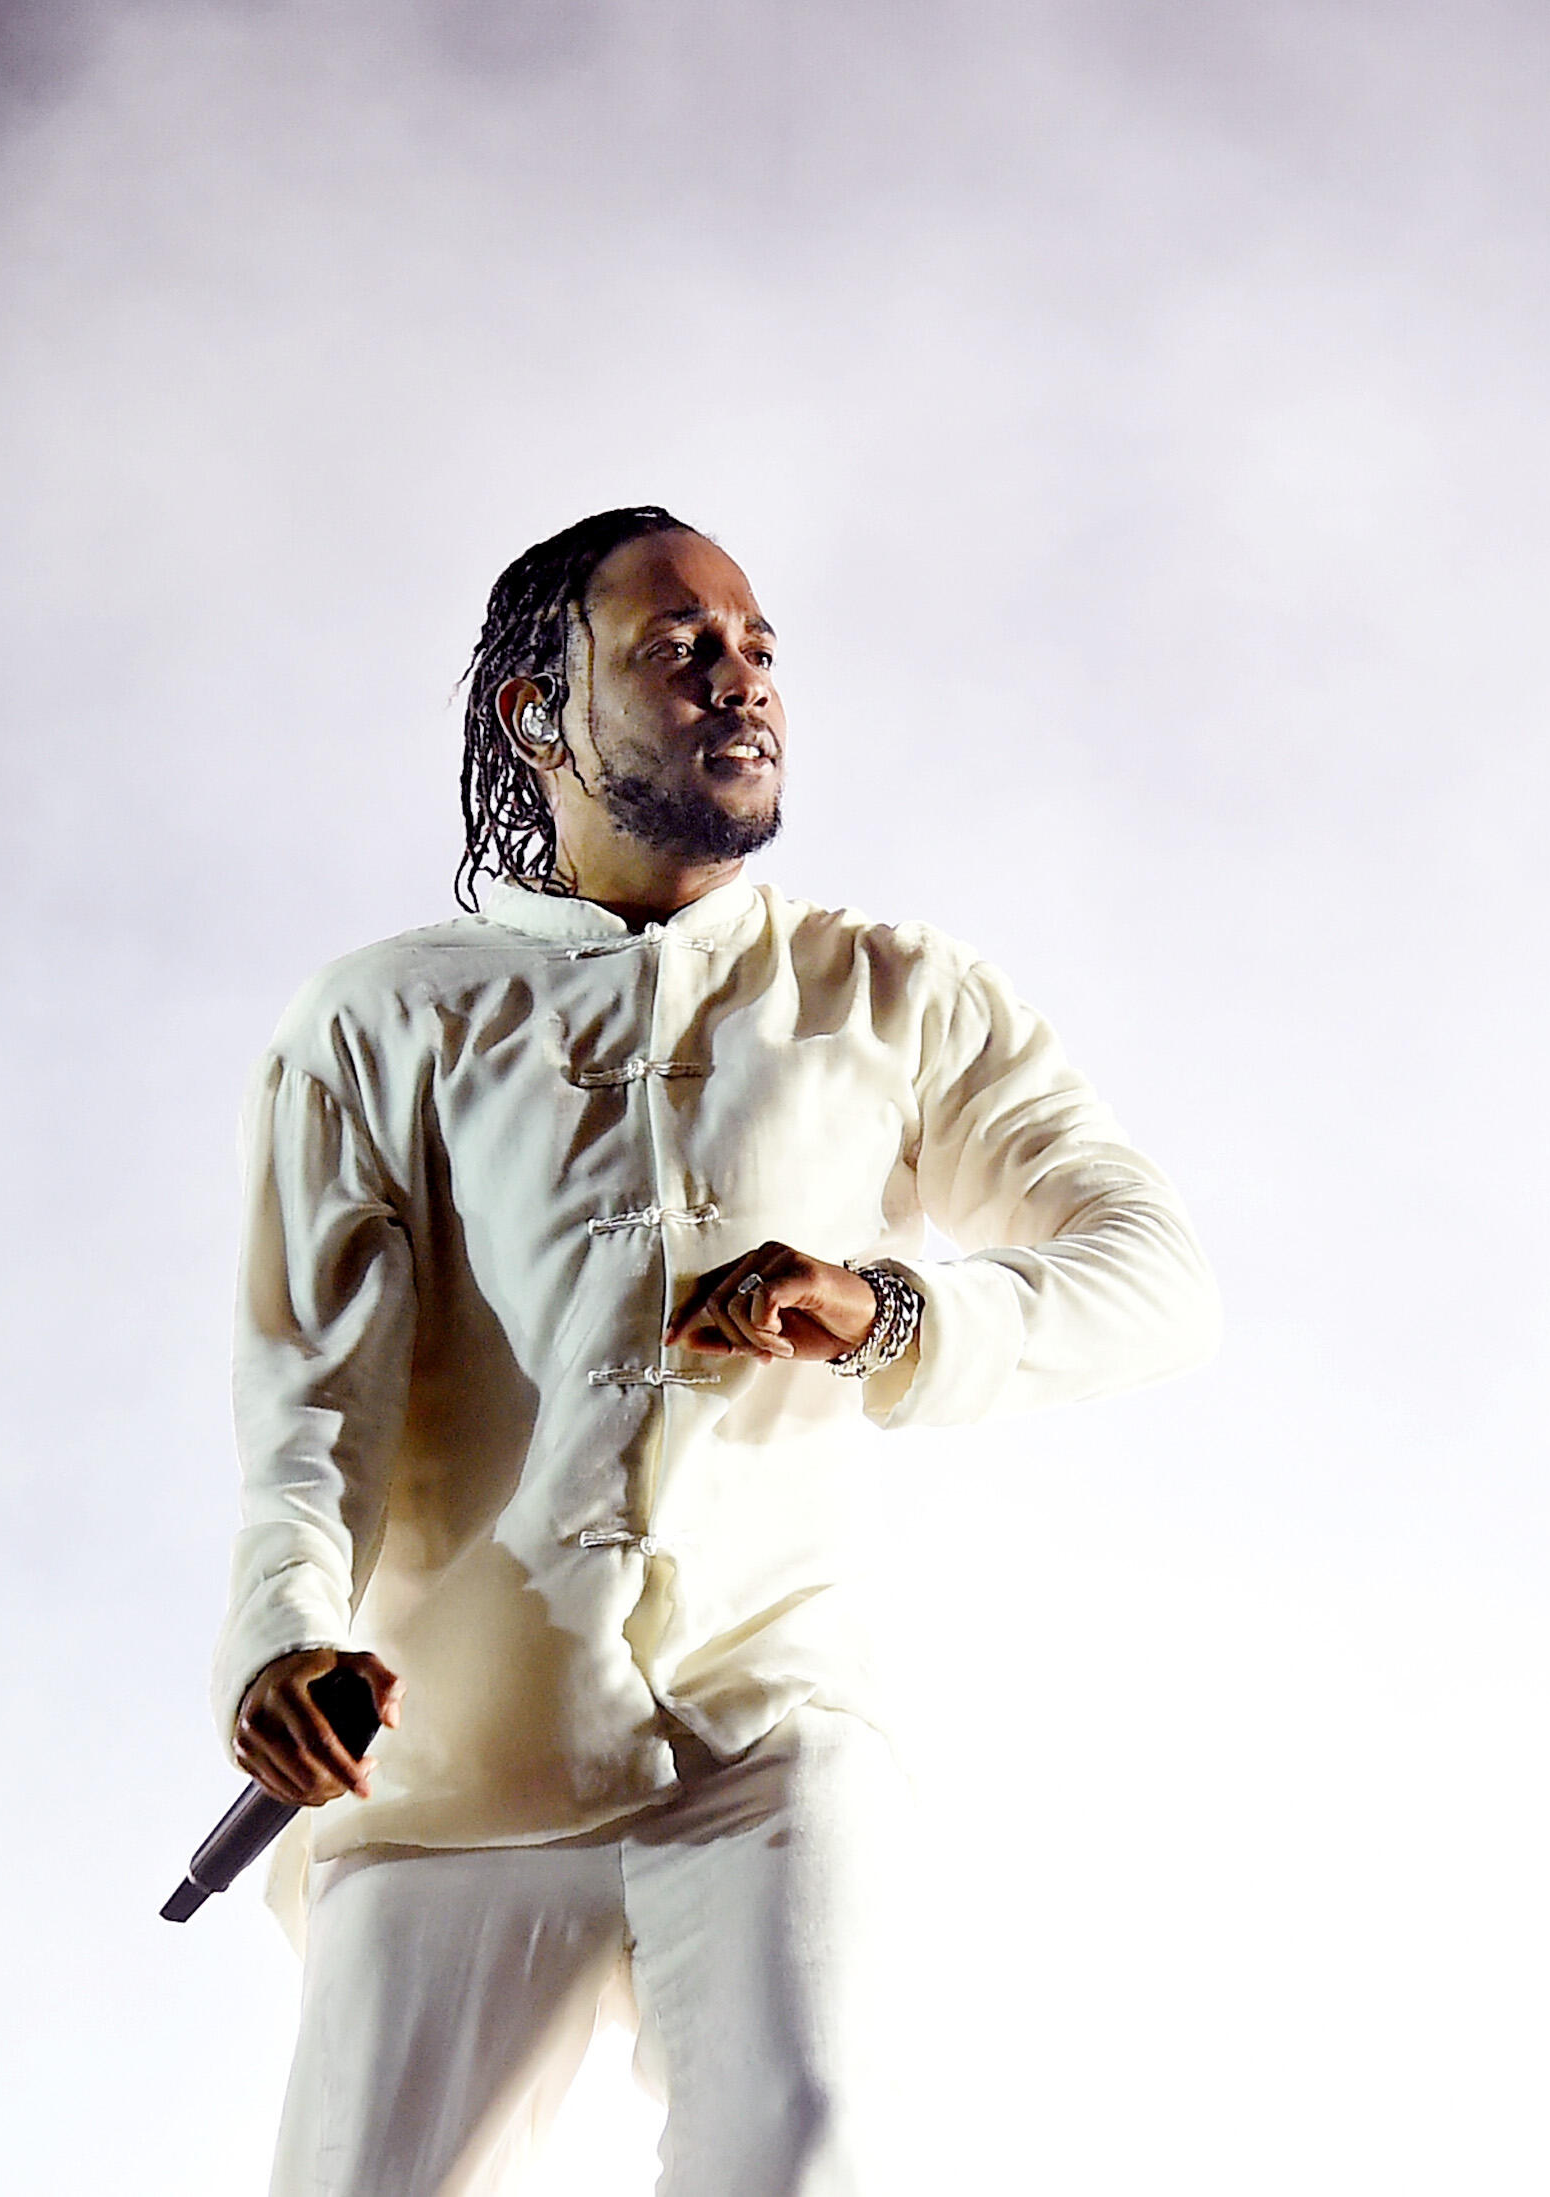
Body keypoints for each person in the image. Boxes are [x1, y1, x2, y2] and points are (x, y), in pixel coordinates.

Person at [211, 505, 1220, 2196]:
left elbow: (1156, 1277)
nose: (738, 681)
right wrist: (282, 1640)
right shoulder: (383, 1019)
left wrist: (888, 1311)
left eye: (757, 647)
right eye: (678, 647)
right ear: (540, 714)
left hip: (768, 1744)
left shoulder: (893, 992)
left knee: (801, 2164)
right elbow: (311, 1408)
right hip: (448, 1764)